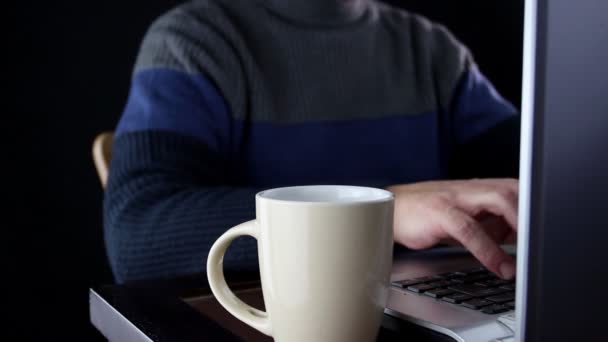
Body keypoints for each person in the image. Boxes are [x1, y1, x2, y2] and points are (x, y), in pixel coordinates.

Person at [104, 0, 520, 284]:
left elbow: (535, 178)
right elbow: (138, 232)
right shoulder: (193, 42)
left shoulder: (432, 50)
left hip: (428, 305)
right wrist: (375, 213)